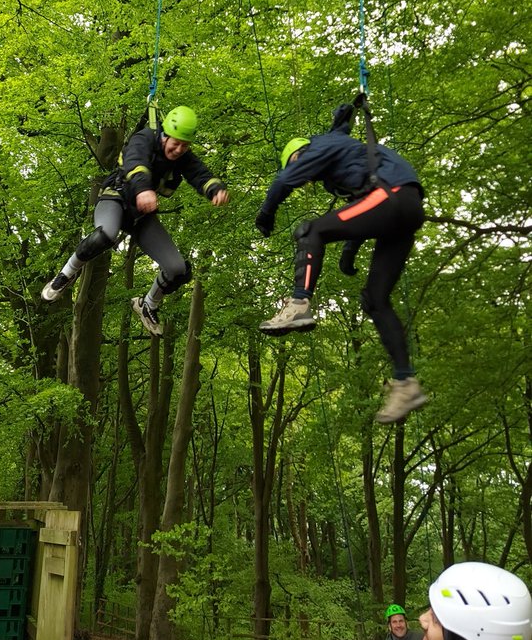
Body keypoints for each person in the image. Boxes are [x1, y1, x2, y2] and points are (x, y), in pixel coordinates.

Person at [254, 103, 428, 423]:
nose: (306, 179)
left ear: (300, 153)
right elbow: (363, 205)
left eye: (298, 163)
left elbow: (284, 181)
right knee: (374, 299)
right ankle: (406, 382)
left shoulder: (316, 148)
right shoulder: (341, 147)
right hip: (406, 206)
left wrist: (266, 214)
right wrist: (350, 250)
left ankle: (298, 304)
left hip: (391, 195)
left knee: (311, 230)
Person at [41, 106, 229, 335]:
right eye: (175, 143)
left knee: (177, 268)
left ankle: (148, 304)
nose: (179, 149)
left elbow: (200, 174)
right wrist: (142, 189)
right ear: (165, 135)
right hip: (116, 198)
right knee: (105, 235)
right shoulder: (145, 138)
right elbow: (135, 161)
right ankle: (65, 275)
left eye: (185, 145)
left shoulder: (183, 156)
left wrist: (215, 189)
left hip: (141, 215)